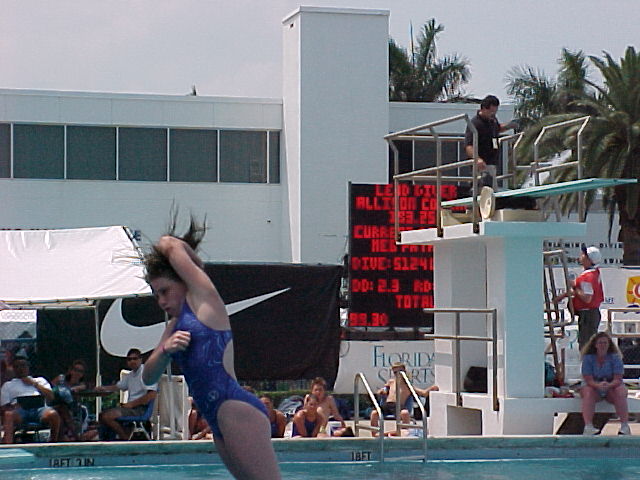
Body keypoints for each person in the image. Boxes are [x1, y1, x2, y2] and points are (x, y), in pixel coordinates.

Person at [141, 218, 281, 479]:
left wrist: (196, 266)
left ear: (185, 281)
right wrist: (164, 350)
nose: (161, 301)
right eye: (156, 295)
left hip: (234, 408)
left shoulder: (205, 302)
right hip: (216, 418)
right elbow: (148, 376)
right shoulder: (173, 327)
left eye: (165, 291)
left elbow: (167, 243)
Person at [95, 348, 158, 441]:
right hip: (130, 408)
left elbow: (151, 395)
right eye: (129, 359)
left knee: (107, 416)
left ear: (141, 359)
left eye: (135, 358)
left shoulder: (147, 373)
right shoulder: (130, 375)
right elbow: (118, 386)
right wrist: (102, 388)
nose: (132, 361)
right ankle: (108, 439)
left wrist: (131, 404)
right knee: (101, 415)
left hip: (140, 409)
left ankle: (125, 438)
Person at [554, 245, 604, 350]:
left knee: (586, 345)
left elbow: (587, 298)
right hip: (589, 314)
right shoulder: (592, 273)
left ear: (589, 260)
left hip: (588, 315)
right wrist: (562, 296)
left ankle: (587, 360)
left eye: (584, 254)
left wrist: (574, 287)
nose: (581, 256)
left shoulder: (588, 277)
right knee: (586, 343)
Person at [580, 332, 630, 435]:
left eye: (605, 343)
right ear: (595, 345)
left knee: (620, 391)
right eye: (600, 343)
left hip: (611, 386)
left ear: (609, 344)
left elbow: (618, 378)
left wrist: (609, 385)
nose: (602, 345)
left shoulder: (615, 358)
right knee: (588, 391)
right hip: (594, 387)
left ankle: (625, 426)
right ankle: (588, 426)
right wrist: (598, 385)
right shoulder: (588, 358)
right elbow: (588, 379)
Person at [0, 357, 60, 443]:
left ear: (28, 366)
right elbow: (3, 407)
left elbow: (51, 396)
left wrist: (34, 384)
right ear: (14, 369)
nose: (20, 368)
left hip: (39, 409)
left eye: (23, 365)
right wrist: (13, 407)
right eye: (17, 366)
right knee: (8, 415)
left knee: (53, 414)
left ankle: (53, 443)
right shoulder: (8, 385)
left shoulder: (40, 380)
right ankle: (9, 445)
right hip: (20, 412)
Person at [464, 95, 516, 188]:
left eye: (495, 111)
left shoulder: (492, 120)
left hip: (492, 162)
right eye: (491, 111)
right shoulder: (475, 123)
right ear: (484, 108)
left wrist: (509, 125)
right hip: (482, 164)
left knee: (492, 189)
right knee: (484, 190)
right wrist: (477, 159)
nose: (493, 114)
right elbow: (469, 146)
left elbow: (498, 128)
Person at [51, 359, 90, 441]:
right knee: (62, 409)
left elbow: (85, 388)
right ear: (70, 370)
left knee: (65, 410)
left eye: (80, 371)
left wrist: (80, 388)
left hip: (72, 408)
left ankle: (69, 436)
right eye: (75, 370)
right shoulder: (61, 379)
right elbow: (50, 388)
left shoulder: (81, 385)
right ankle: (76, 437)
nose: (77, 373)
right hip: (54, 405)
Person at [369, 362, 413, 432]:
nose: (397, 374)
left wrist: (430, 389)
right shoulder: (391, 382)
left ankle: (404, 432)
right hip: (388, 404)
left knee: (405, 413)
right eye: (395, 372)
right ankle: (375, 433)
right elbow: (384, 390)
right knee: (374, 413)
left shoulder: (408, 385)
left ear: (404, 372)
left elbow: (423, 393)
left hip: (399, 406)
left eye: (399, 372)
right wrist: (382, 391)